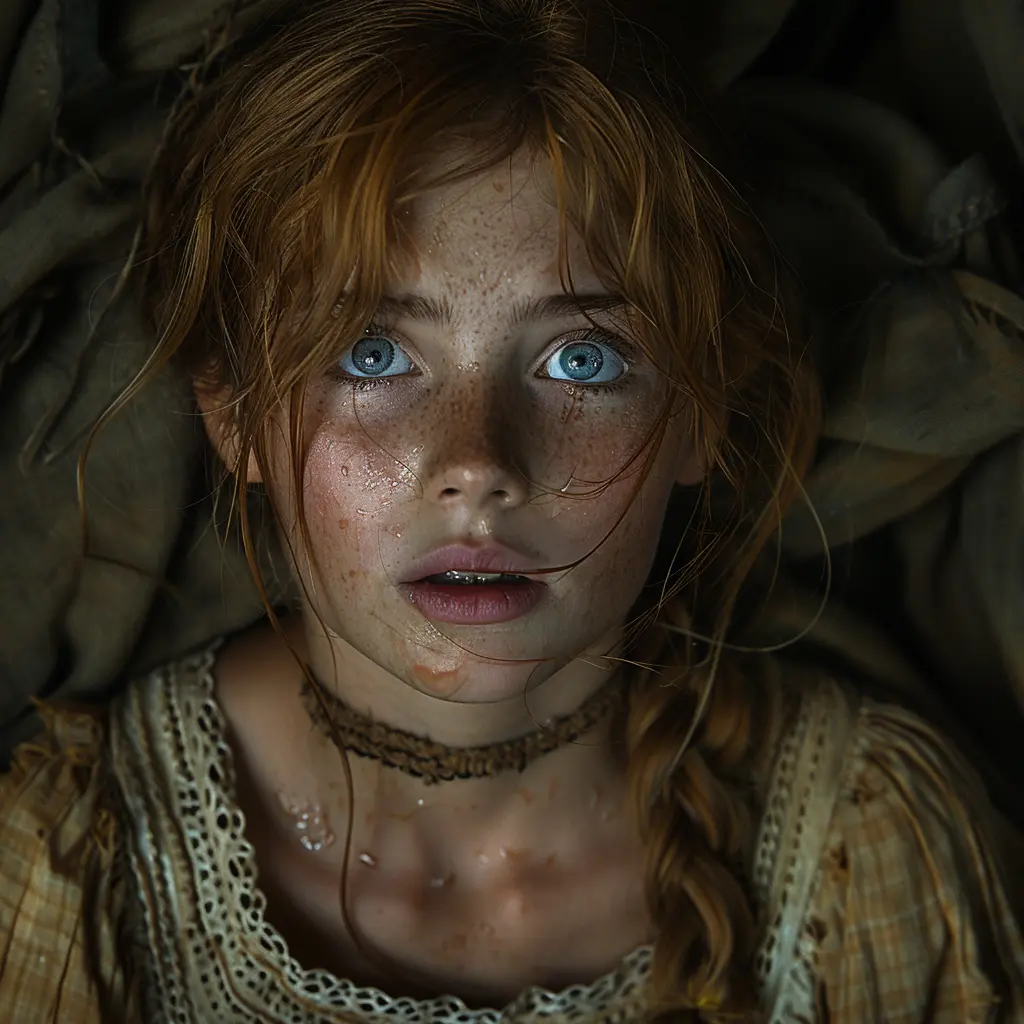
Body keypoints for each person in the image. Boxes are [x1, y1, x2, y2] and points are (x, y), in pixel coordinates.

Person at [1, 1, 1021, 1021]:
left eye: (581, 359)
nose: (477, 464)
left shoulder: (862, 841)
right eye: (371, 354)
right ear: (232, 414)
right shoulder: (82, 862)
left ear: (701, 413)